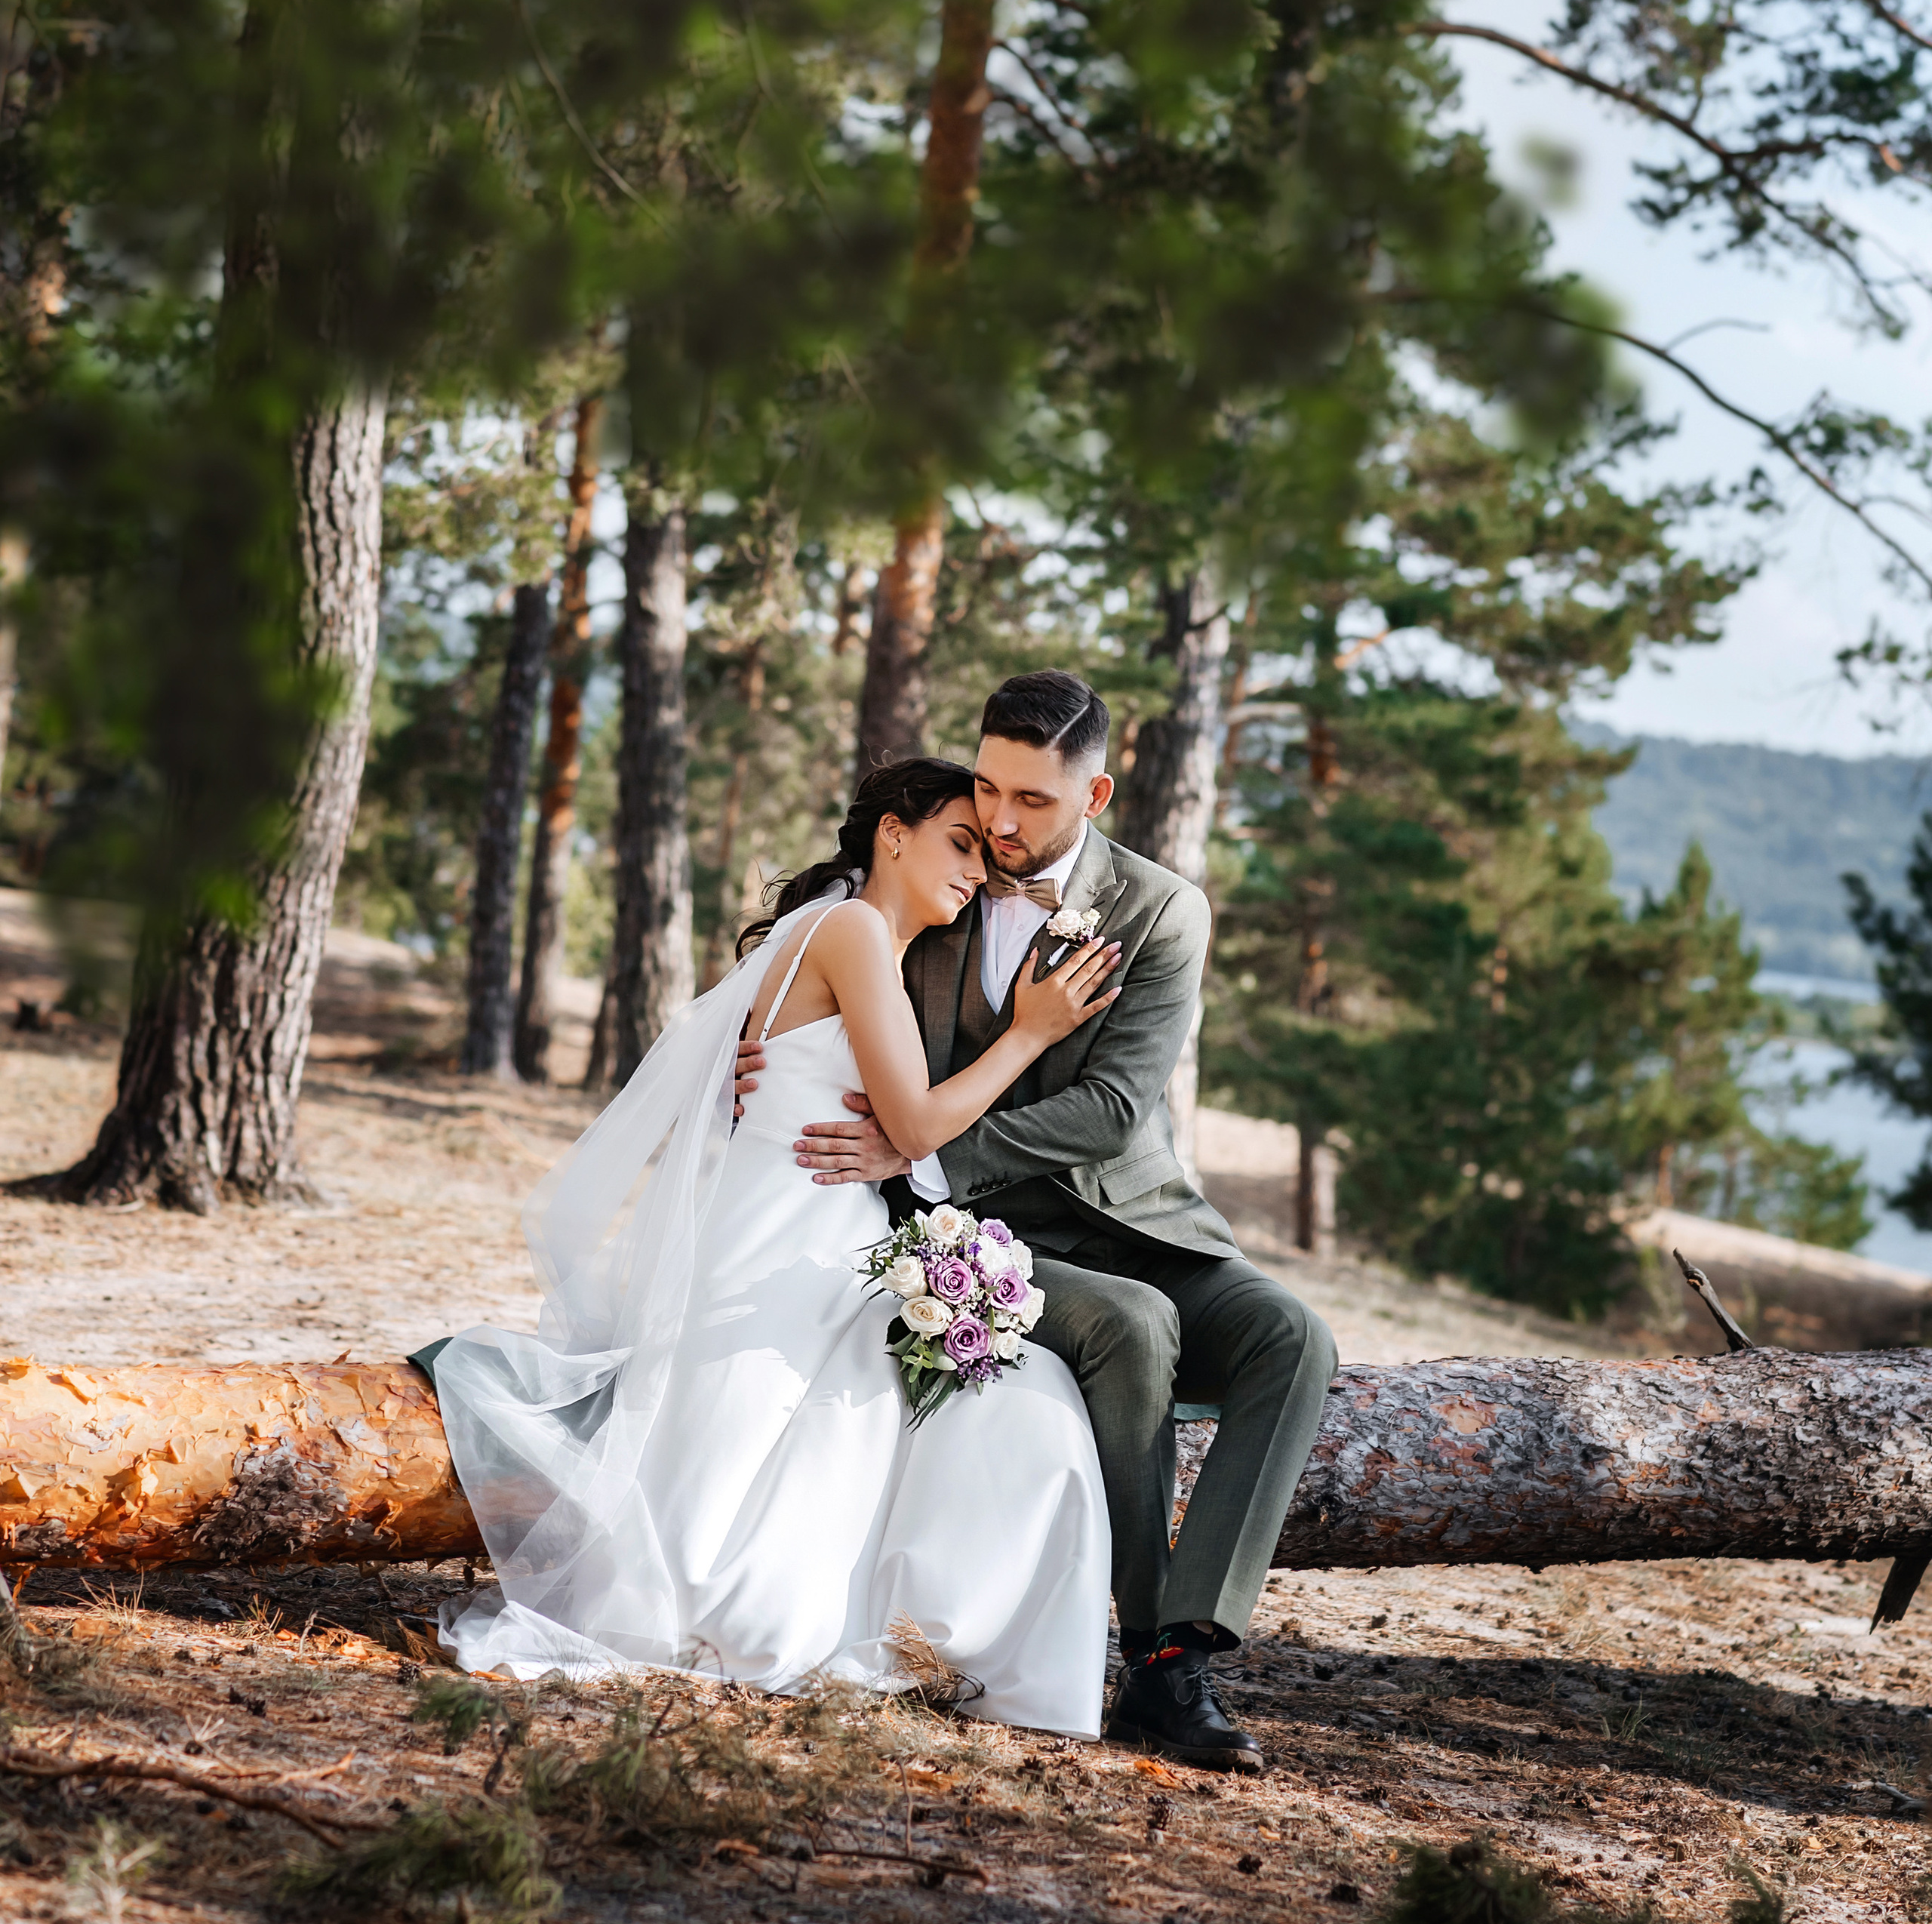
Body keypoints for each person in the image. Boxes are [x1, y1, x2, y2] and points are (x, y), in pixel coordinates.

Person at [423, 759, 1121, 1737]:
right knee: (978, 1407)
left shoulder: (843, 933)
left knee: (983, 1399)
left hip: (808, 1234)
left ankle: (939, 1626)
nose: (976, 871)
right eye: (959, 843)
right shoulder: (850, 930)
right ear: (891, 832)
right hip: (790, 1249)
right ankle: (942, 1630)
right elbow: (917, 1123)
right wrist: (1030, 1034)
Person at [737, 670, 1338, 1775]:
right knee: (1135, 1328)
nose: (1003, 824)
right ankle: (1163, 1671)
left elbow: (1114, 1107)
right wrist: (772, 1060)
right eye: (989, 790)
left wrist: (921, 1142)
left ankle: (1187, 1637)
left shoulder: (1163, 911)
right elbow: (823, 959)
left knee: (1293, 1339)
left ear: (1096, 792)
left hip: (1141, 1221)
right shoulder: (942, 871)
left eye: (1035, 802)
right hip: (971, 1236)